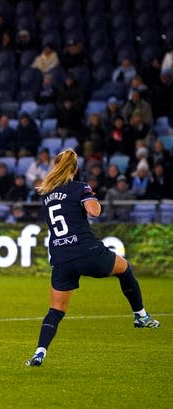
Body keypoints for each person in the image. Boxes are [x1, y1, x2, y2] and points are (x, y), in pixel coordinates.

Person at [26, 149, 160, 367]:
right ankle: (141, 315)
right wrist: (92, 198)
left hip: (61, 257)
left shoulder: (46, 195)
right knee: (124, 268)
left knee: (56, 311)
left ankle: (39, 352)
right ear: (75, 168)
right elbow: (94, 212)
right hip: (86, 251)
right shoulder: (81, 187)